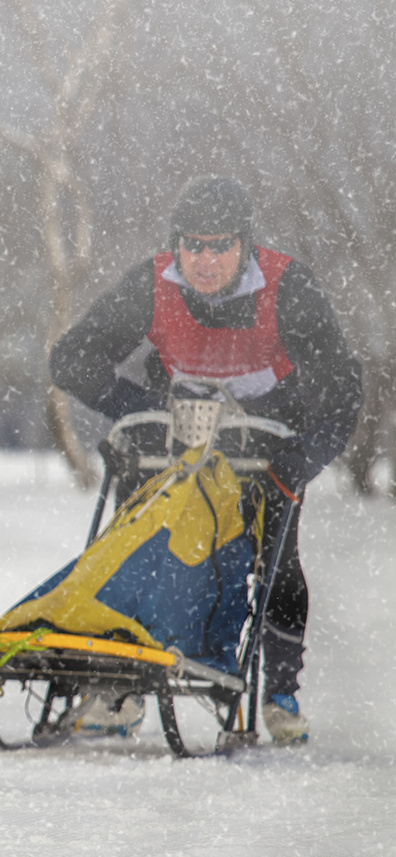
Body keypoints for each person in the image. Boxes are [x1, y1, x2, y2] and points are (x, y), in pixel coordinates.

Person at [49, 176, 363, 745]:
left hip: (267, 446)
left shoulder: (287, 285)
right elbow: (71, 357)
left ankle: (281, 692)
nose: (205, 260)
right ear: (176, 247)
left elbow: (342, 387)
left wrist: (305, 458)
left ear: (245, 245)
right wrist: (136, 406)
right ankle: (120, 690)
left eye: (220, 246)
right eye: (192, 245)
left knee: (277, 561)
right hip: (175, 445)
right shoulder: (152, 282)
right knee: (140, 557)